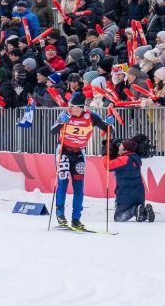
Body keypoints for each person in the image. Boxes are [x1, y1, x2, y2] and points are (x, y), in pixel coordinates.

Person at [50, 92, 113, 230]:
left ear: (80, 107)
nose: (70, 108)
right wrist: (61, 123)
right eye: (70, 105)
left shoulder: (91, 117)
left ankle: (76, 219)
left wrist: (110, 123)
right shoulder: (65, 114)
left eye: (73, 106)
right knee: (63, 182)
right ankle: (60, 214)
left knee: (79, 187)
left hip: (79, 154)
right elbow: (52, 131)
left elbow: (109, 130)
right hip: (63, 152)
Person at [104, 138, 155, 222]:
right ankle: (146, 212)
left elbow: (107, 166)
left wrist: (106, 154)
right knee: (140, 214)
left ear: (125, 150)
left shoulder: (124, 159)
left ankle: (134, 210)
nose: (118, 147)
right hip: (139, 194)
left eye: (120, 146)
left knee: (118, 217)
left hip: (126, 195)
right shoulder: (136, 158)